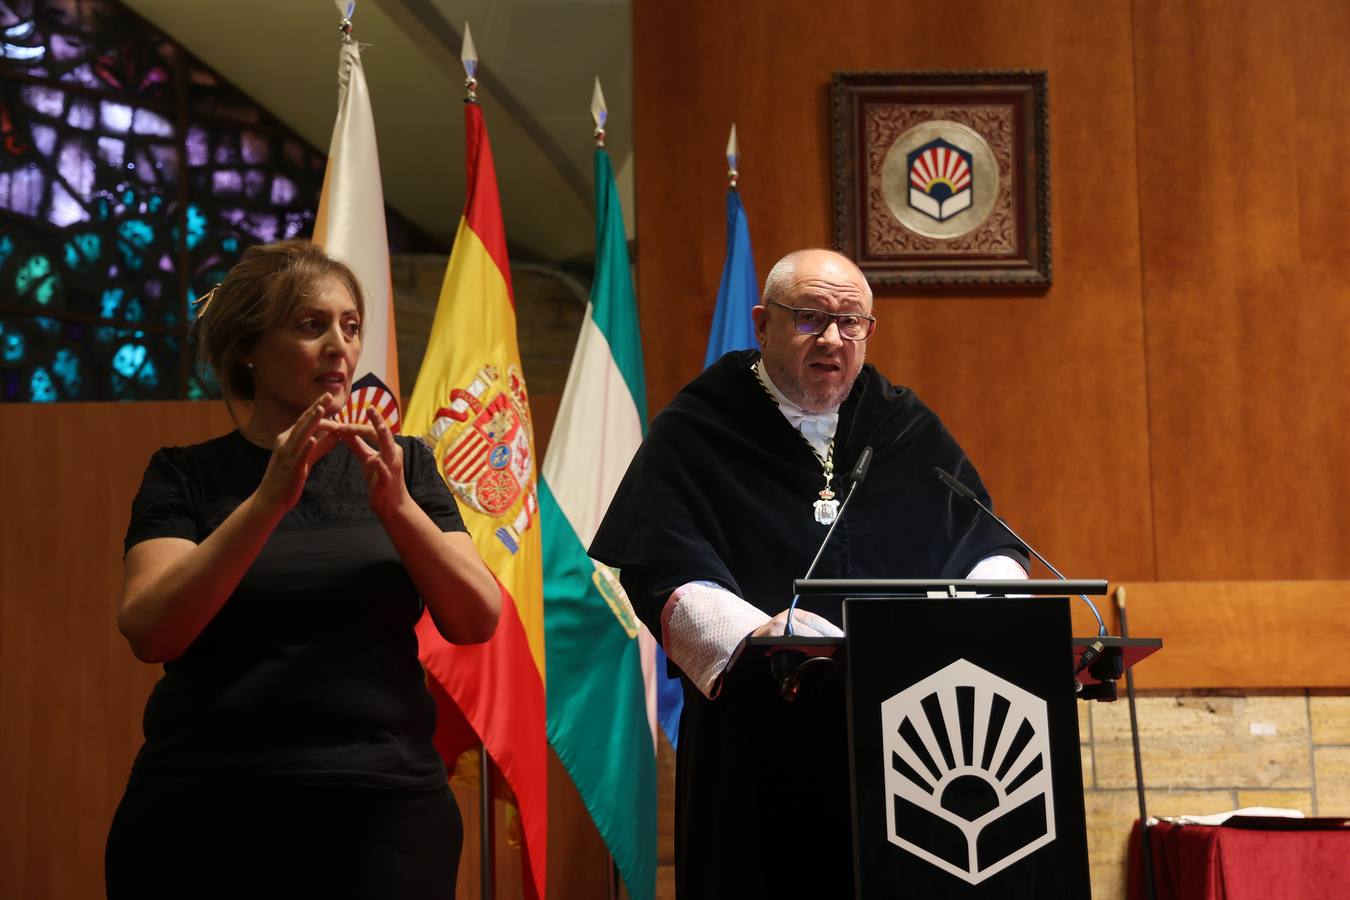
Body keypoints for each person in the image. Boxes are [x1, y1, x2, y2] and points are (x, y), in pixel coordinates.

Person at [589, 248, 1029, 898]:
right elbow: (661, 569)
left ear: (869, 333)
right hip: (760, 737)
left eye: (850, 323)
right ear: (763, 323)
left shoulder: (902, 426)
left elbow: (982, 541)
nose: (832, 339)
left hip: (906, 743)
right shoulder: (698, 429)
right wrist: (763, 635)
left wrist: (991, 608)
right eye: (808, 320)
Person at [105, 241, 501, 899]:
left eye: (350, 327)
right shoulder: (185, 475)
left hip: (384, 811)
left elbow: (475, 618)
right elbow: (151, 631)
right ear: (248, 350)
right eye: (311, 326)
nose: (340, 347)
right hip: (204, 814)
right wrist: (268, 501)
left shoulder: (405, 464)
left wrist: (398, 507)